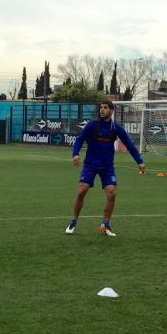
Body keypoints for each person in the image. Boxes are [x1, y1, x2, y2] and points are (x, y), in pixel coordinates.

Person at [66, 101, 145, 236]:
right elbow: (79, 139)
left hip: (107, 166)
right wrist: (75, 154)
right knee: (81, 190)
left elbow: (129, 144)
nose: (102, 110)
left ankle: (106, 225)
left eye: (105, 108)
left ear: (112, 110)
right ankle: (73, 221)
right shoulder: (92, 125)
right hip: (90, 165)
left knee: (112, 193)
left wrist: (139, 161)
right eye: (101, 108)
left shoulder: (115, 128)